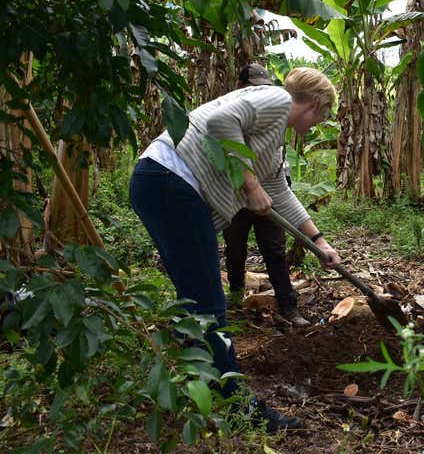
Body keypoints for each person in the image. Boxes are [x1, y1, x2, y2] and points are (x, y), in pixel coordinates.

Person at [129, 65, 339, 431]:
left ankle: (196, 388)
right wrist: (247, 181)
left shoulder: (273, 138)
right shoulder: (276, 99)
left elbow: (279, 192)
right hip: (171, 181)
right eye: (323, 115)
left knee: (193, 301)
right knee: (209, 303)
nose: (320, 124)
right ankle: (237, 406)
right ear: (315, 104)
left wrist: (319, 241)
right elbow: (220, 123)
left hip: (159, 182)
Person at [222, 65, 310, 327]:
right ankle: (236, 295)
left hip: (271, 192)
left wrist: (316, 237)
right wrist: (249, 188)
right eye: (254, 86)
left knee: (274, 250)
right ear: (240, 87)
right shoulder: (236, 116)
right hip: (236, 195)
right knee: (235, 248)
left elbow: (277, 167)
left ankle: (288, 306)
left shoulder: (274, 119)